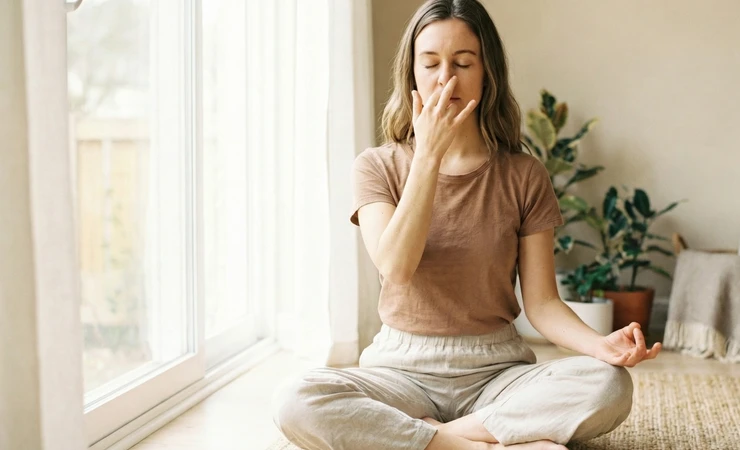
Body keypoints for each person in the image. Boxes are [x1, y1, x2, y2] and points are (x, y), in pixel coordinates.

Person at [272, 1, 661, 449]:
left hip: (497, 373)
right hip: (400, 373)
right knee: (295, 400)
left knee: (608, 386)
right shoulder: (377, 167)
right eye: (431, 63)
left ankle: (432, 439)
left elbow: (543, 303)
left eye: (463, 62)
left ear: (486, 72)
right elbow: (395, 267)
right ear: (412, 72)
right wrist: (428, 157)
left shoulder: (523, 174)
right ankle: (481, 442)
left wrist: (600, 347)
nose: (446, 78)